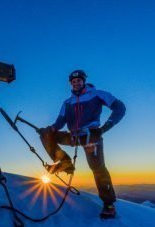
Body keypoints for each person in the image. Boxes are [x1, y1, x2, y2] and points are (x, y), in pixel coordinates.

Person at [39, 70, 126, 219]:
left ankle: (109, 205)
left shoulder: (97, 94)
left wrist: (104, 128)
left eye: (79, 80)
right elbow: (60, 122)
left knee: (97, 168)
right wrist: (50, 130)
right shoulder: (67, 103)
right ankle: (65, 162)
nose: (76, 83)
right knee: (45, 136)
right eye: (73, 81)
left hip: (91, 136)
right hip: (74, 137)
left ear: (84, 81)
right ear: (71, 84)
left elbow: (120, 108)